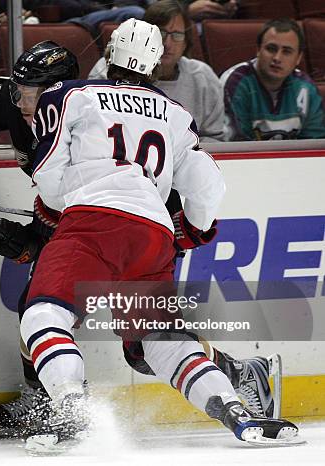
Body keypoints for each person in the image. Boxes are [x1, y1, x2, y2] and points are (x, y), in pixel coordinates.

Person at [0, 41, 276, 440]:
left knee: (109, 339)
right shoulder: (31, 98)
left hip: (104, 223)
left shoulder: (74, 106)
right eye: (19, 91)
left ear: (62, 87)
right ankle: (47, 400)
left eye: (32, 94)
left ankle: (236, 373)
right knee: (123, 333)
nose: (23, 102)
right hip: (120, 227)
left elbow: (87, 208)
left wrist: (29, 244)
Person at [19, 19, 301, 449]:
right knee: (160, 340)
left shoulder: (69, 94)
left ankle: (71, 407)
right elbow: (209, 186)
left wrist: (54, 209)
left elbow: (50, 176)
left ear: (110, 54)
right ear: (154, 64)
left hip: (93, 222)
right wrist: (192, 228)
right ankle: (238, 412)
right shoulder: (175, 113)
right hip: (153, 233)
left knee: (43, 315)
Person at [89, 1, 225, 142]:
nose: (167, 43)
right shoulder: (109, 69)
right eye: (160, 33)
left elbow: (214, 139)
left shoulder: (203, 77)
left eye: (177, 35)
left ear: (186, 43)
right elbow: (94, 133)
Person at [221, 18, 325, 141]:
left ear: (298, 58)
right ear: (258, 50)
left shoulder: (306, 88)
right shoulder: (235, 83)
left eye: (287, 52)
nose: (277, 58)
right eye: (271, 49)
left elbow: (315, 143)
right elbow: (236, 143)